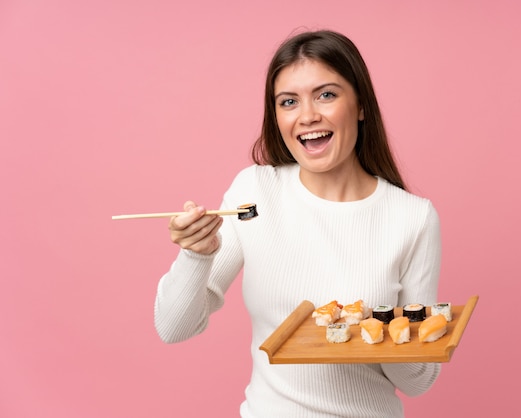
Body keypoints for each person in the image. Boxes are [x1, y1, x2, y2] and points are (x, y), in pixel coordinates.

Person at [154, 29, 442, 417]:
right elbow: (174, 328)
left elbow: (418, 381)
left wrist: (378, 326)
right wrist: (196, 255)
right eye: (289, 102)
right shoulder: (255, 190)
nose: (307, 116)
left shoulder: (413, 217)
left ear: (360, 105)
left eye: (326, 95)